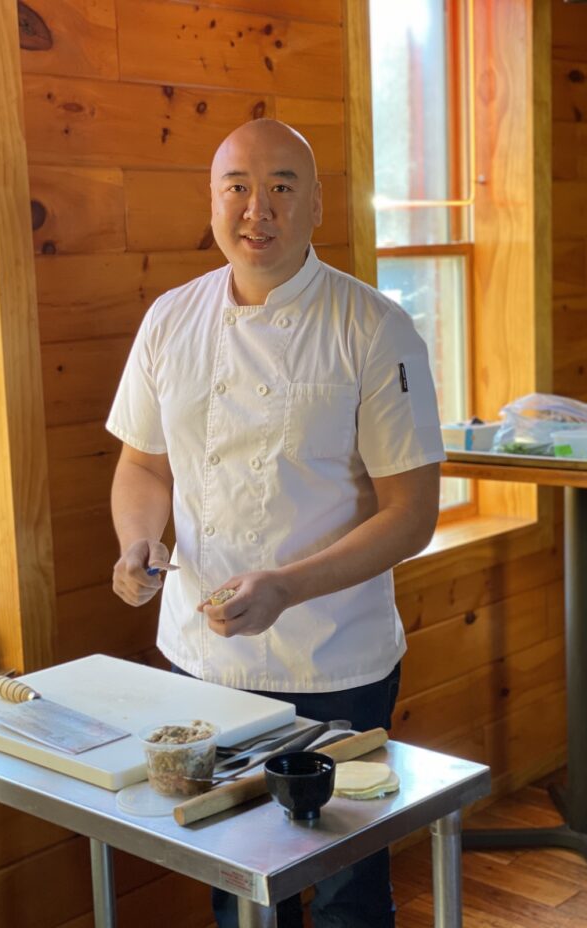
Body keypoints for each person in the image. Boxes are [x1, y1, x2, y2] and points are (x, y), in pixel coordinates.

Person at [107, 118, 444, 928]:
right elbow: (144, 466)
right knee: (235, 881)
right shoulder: (170, 320)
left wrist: (285, 587)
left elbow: (413, 513)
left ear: (318, 204)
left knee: (343, 892)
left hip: (332, 665)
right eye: (238, 188)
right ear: (213, 201)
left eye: (282, 187)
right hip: (202, 660)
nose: (257, 209)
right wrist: (138, 542)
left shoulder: (374, 327)